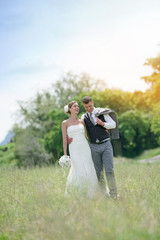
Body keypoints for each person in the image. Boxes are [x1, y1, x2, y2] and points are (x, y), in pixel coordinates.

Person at [81, 96, 119, 199]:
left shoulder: (102, 112)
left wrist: (102, 123)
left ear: (93, 102)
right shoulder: (84, 117)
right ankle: (104, 194)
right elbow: (80, 128)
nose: (88, 109)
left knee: (109, 170)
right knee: (98, 172)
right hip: (94, 147)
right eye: (86, 107)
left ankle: (114, 194)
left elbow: (113, 124)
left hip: (106, 144)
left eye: (90, 106)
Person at [61, 101, 98, 197]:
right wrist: (65, 154)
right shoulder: (65, 123)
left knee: (89, 168)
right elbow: (64, 140)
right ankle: (78, 192)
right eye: (74, 106)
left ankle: (91, 193)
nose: (77, 107)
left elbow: (87, 135)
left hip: (85, 147)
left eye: (78, 106)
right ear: (69, 109)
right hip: (74, 148)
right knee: (78, 169)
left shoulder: (82, 121)